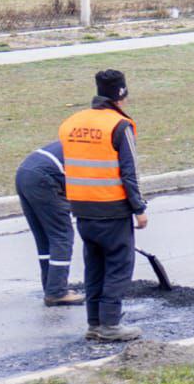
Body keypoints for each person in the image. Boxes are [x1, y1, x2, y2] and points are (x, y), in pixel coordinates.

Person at [59, 69, 147, 342]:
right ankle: (110, 324)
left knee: (94, 265)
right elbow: (129, 172)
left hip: (82, 208)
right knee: (119, 266)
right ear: (121, 96)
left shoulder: (71, 122)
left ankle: (94, 323)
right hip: (112, 207)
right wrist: (139, 208)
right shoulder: (119, 125)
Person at [15, 141, 83, 306]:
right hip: (43, 177)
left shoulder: (78, 139)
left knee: (44, 236)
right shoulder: (98, 151)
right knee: (61, 235)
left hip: (24, 172)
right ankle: (57, 292)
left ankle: (50, 286)